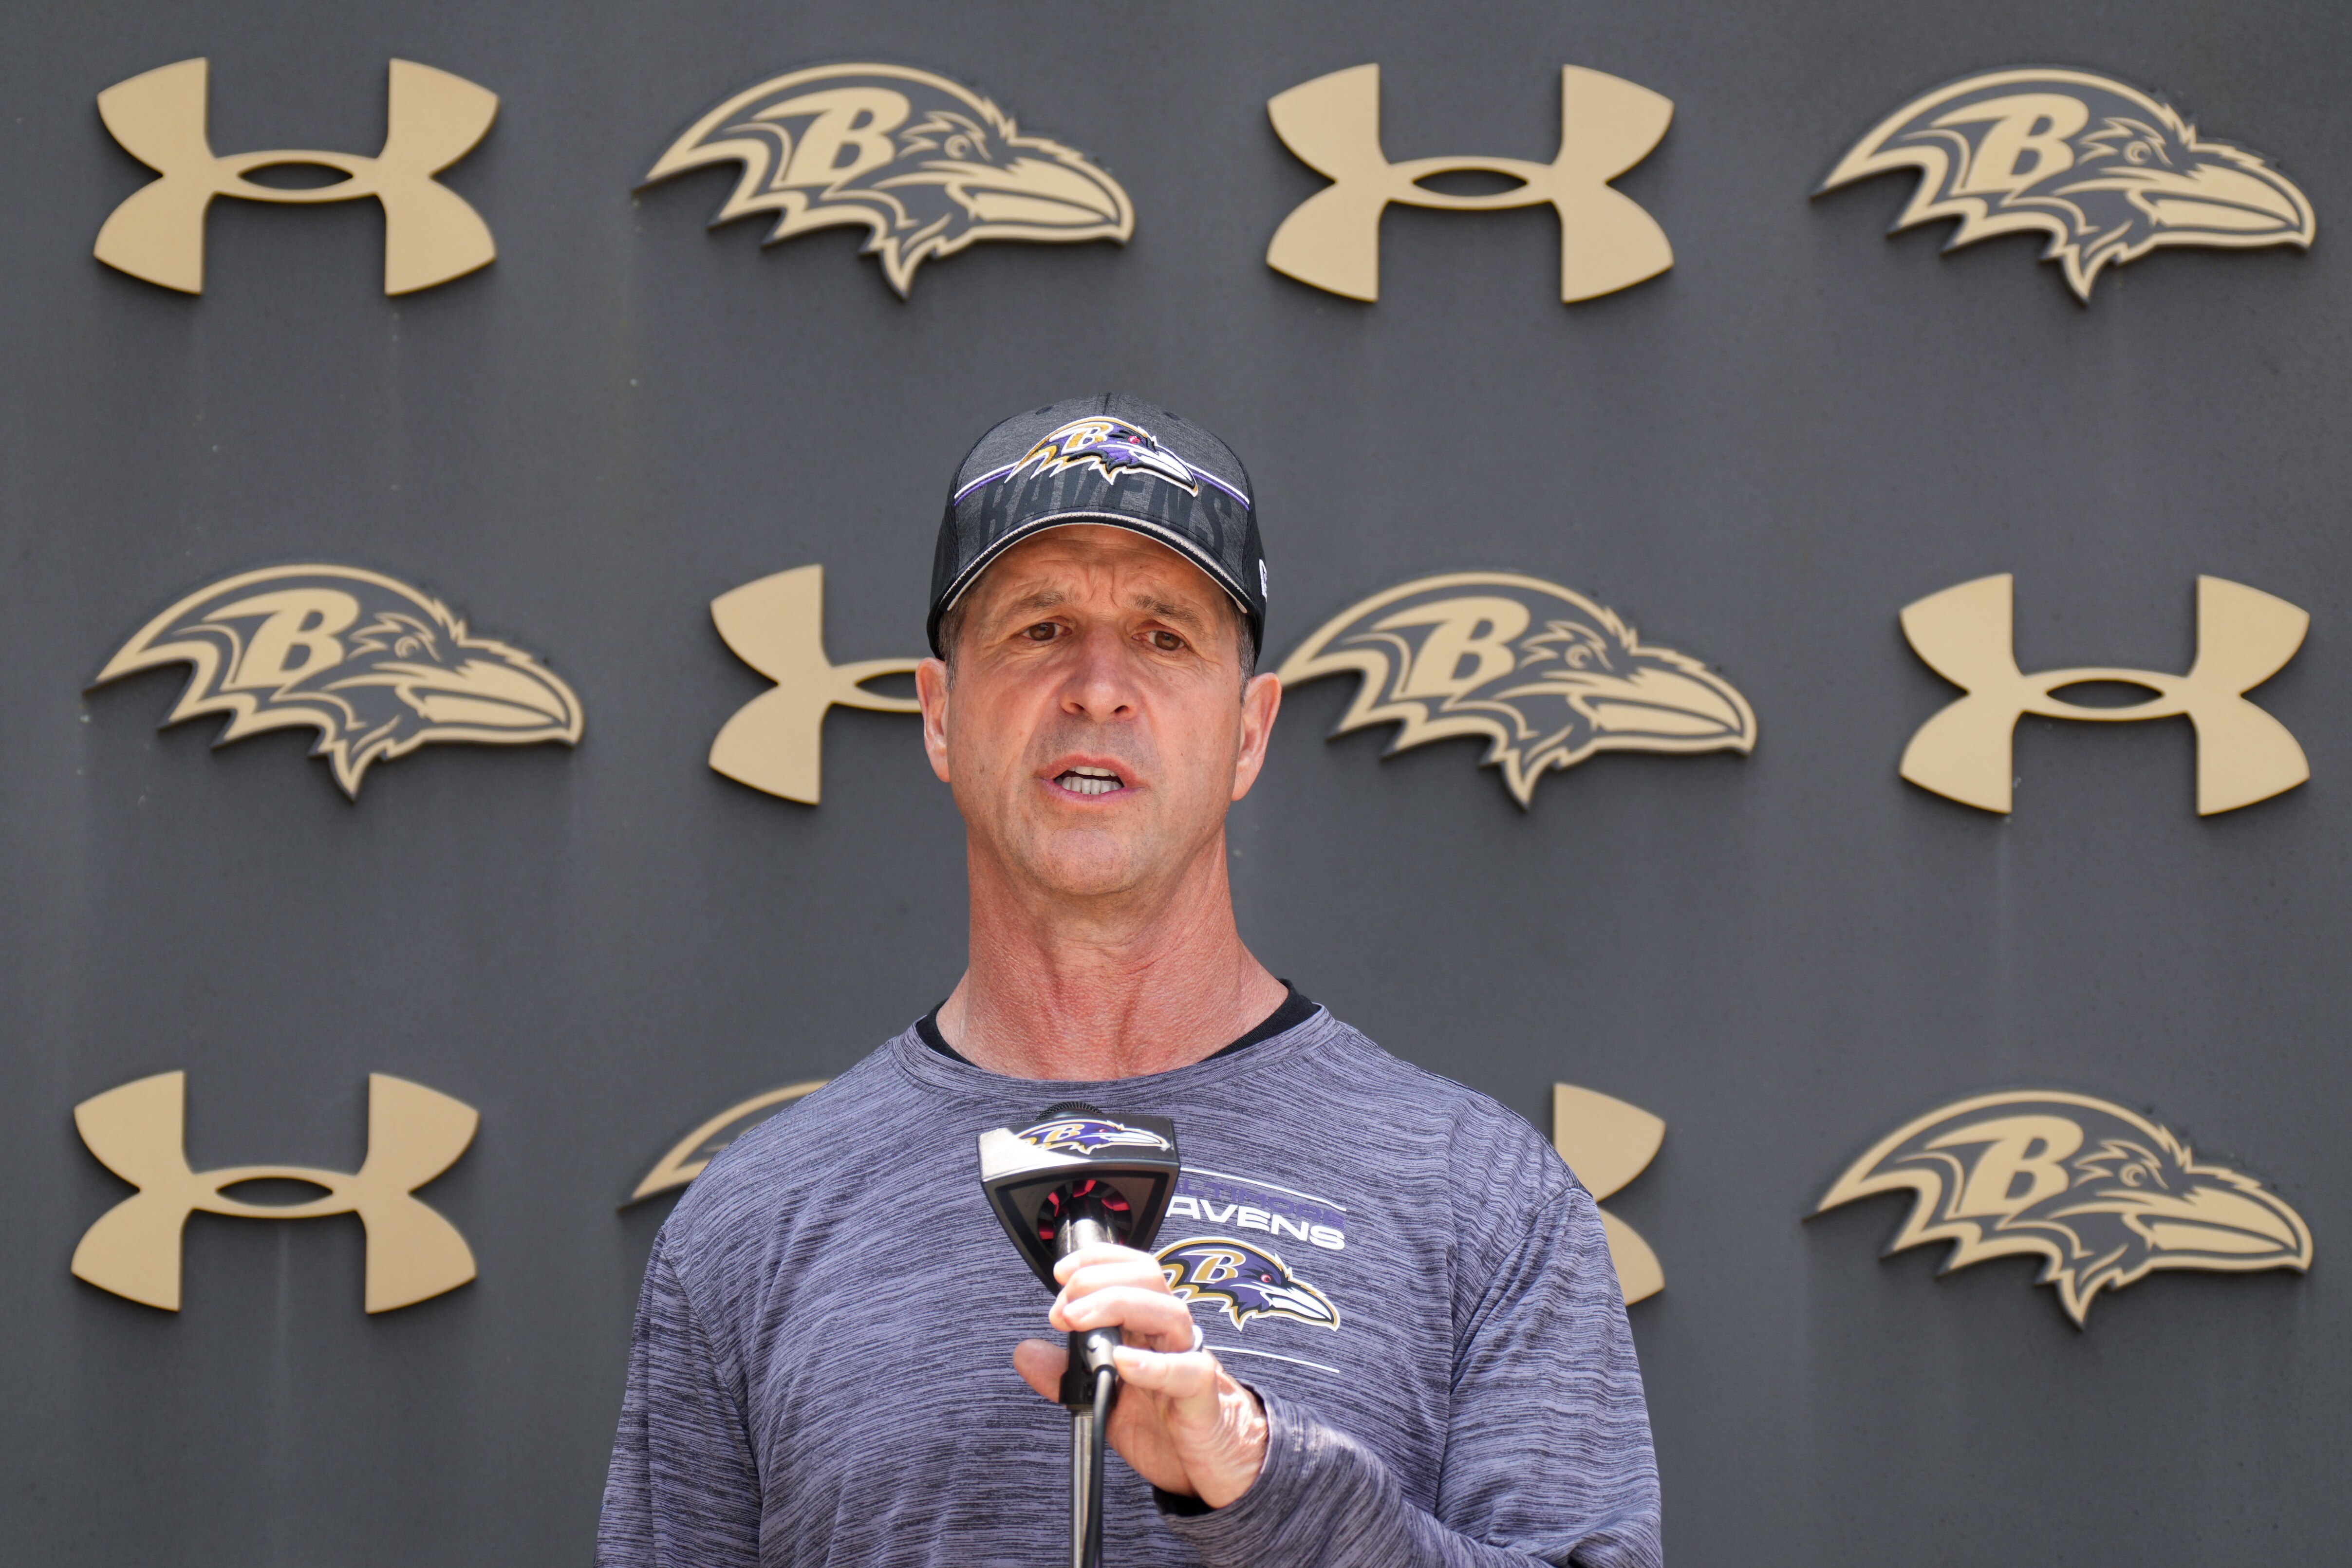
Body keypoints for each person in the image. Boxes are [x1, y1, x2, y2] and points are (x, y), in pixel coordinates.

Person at [597, 393, 1661, 1566]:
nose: (1098, 686)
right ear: (940, 713)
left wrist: (1262, 1481)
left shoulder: (1480, 1198)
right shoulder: (752, 1224)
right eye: (1039, 627)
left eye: (1165, 636)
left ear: (1250, 731)